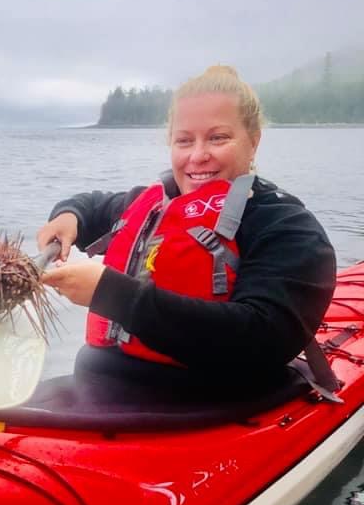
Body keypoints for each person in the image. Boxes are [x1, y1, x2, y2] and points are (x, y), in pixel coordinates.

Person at [36, 65, 337, 399]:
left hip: (205, 404)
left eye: (218, 138)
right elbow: (91, 206)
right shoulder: (151, 204)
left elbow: (263, 336)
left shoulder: (287, 227)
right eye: (184, 141)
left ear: (253, 141)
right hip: (98, 388)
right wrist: (69, 215)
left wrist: (112, 294)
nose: (198, 155)